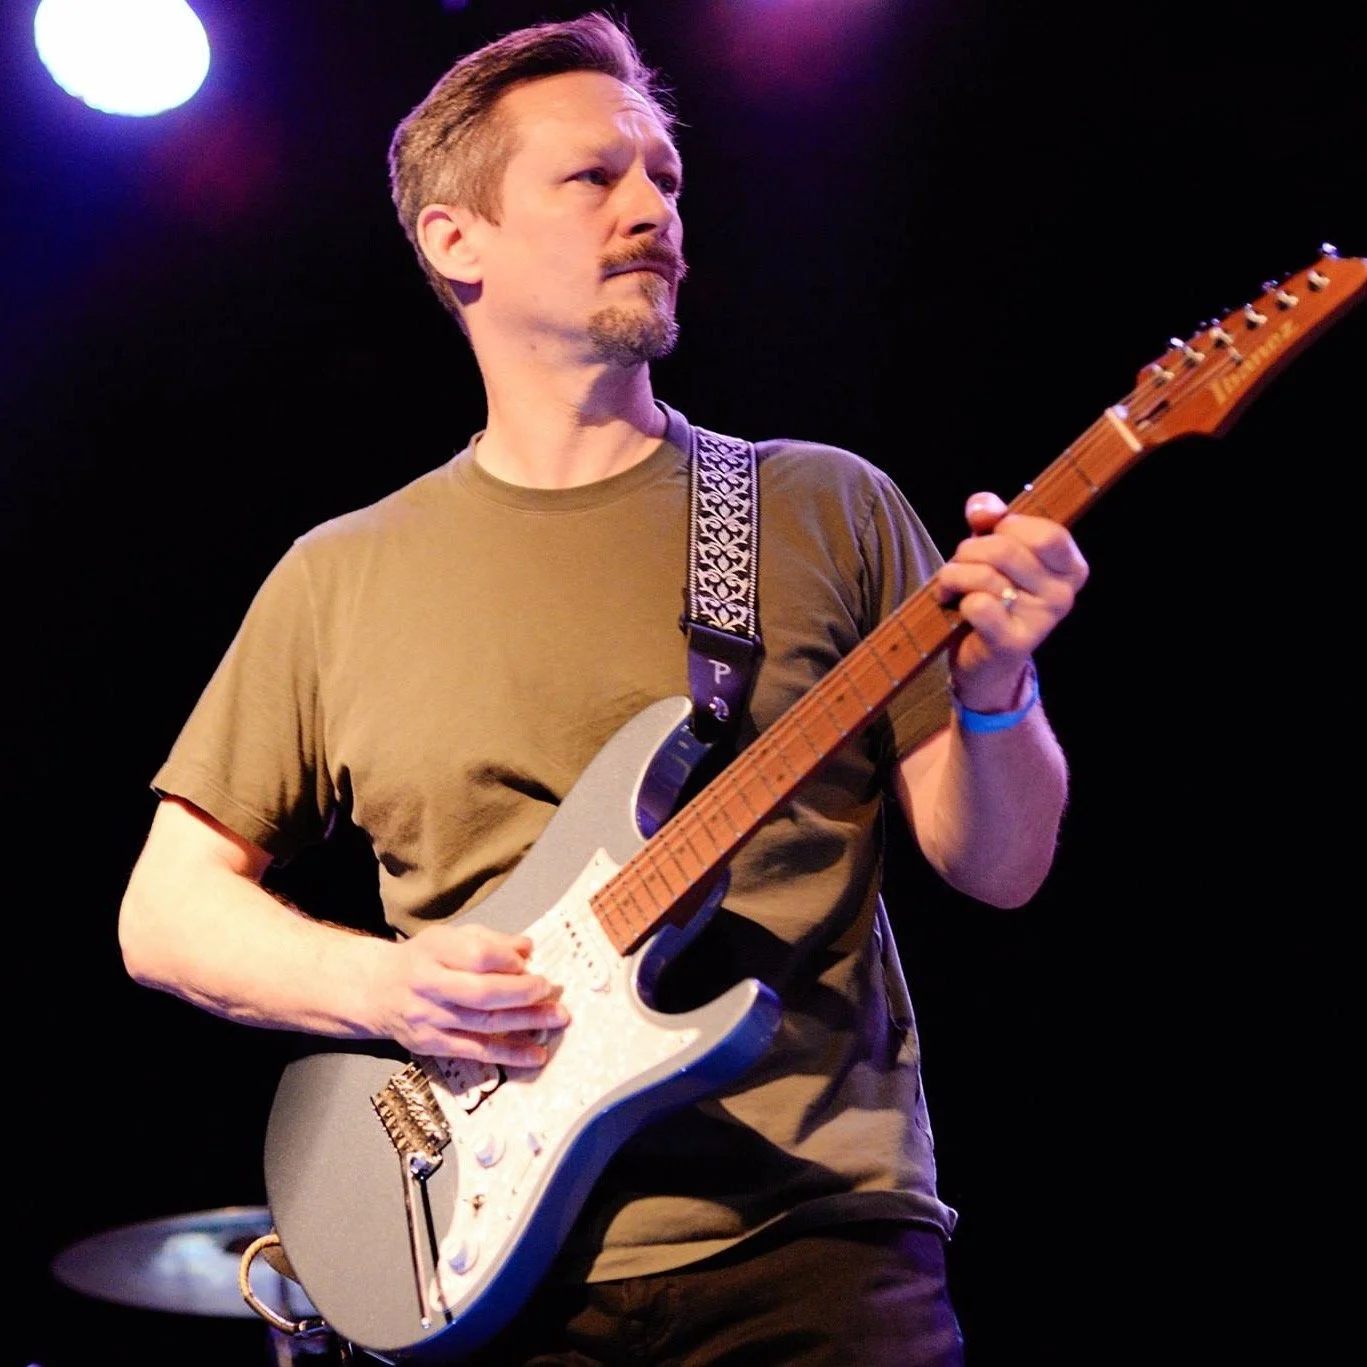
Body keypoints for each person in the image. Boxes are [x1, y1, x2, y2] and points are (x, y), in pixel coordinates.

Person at [118, 12, 1089, 1365]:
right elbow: (164, 914)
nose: (651, 207)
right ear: (456, 241)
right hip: (478, 1263)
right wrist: (390, 986)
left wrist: (995, 689)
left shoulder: (820, 506)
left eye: (666, 178)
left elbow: (996, 864)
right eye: (593, 178)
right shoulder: (337, 575)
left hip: (809, 1246)